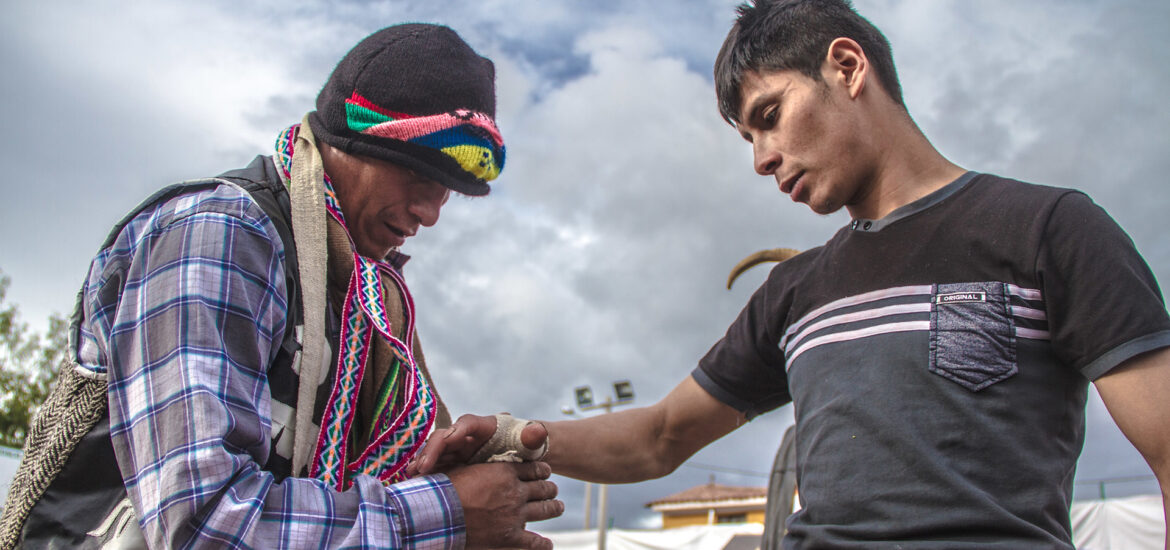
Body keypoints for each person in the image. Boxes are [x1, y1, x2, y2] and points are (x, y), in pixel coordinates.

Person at [410, 1, 1170, 548]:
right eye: (747, 137)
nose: (761, 159)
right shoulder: (797, 290)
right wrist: (510, 434)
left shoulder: (1047, 228)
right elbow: (659, 438)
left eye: (769, 115)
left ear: (846, 66)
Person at [0, 24, 562, 550]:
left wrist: (431, 473)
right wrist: (447, 511)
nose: (430, 214)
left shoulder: (360, 296)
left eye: (448, 192)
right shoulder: (221, 232)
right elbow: (204, 523)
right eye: (418, 176)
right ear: (350, 142)